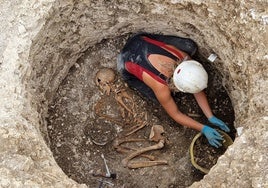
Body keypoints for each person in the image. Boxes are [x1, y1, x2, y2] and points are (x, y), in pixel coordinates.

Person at [117, 33, 230, 148]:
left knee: (190, 47)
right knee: (157, 98)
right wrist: (203, 128)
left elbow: (195, 86)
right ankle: (131, 75)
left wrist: (210, 116)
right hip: (125, 59)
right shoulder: (161, 88)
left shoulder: (183, 58)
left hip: (141, 40)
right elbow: (175, 114)